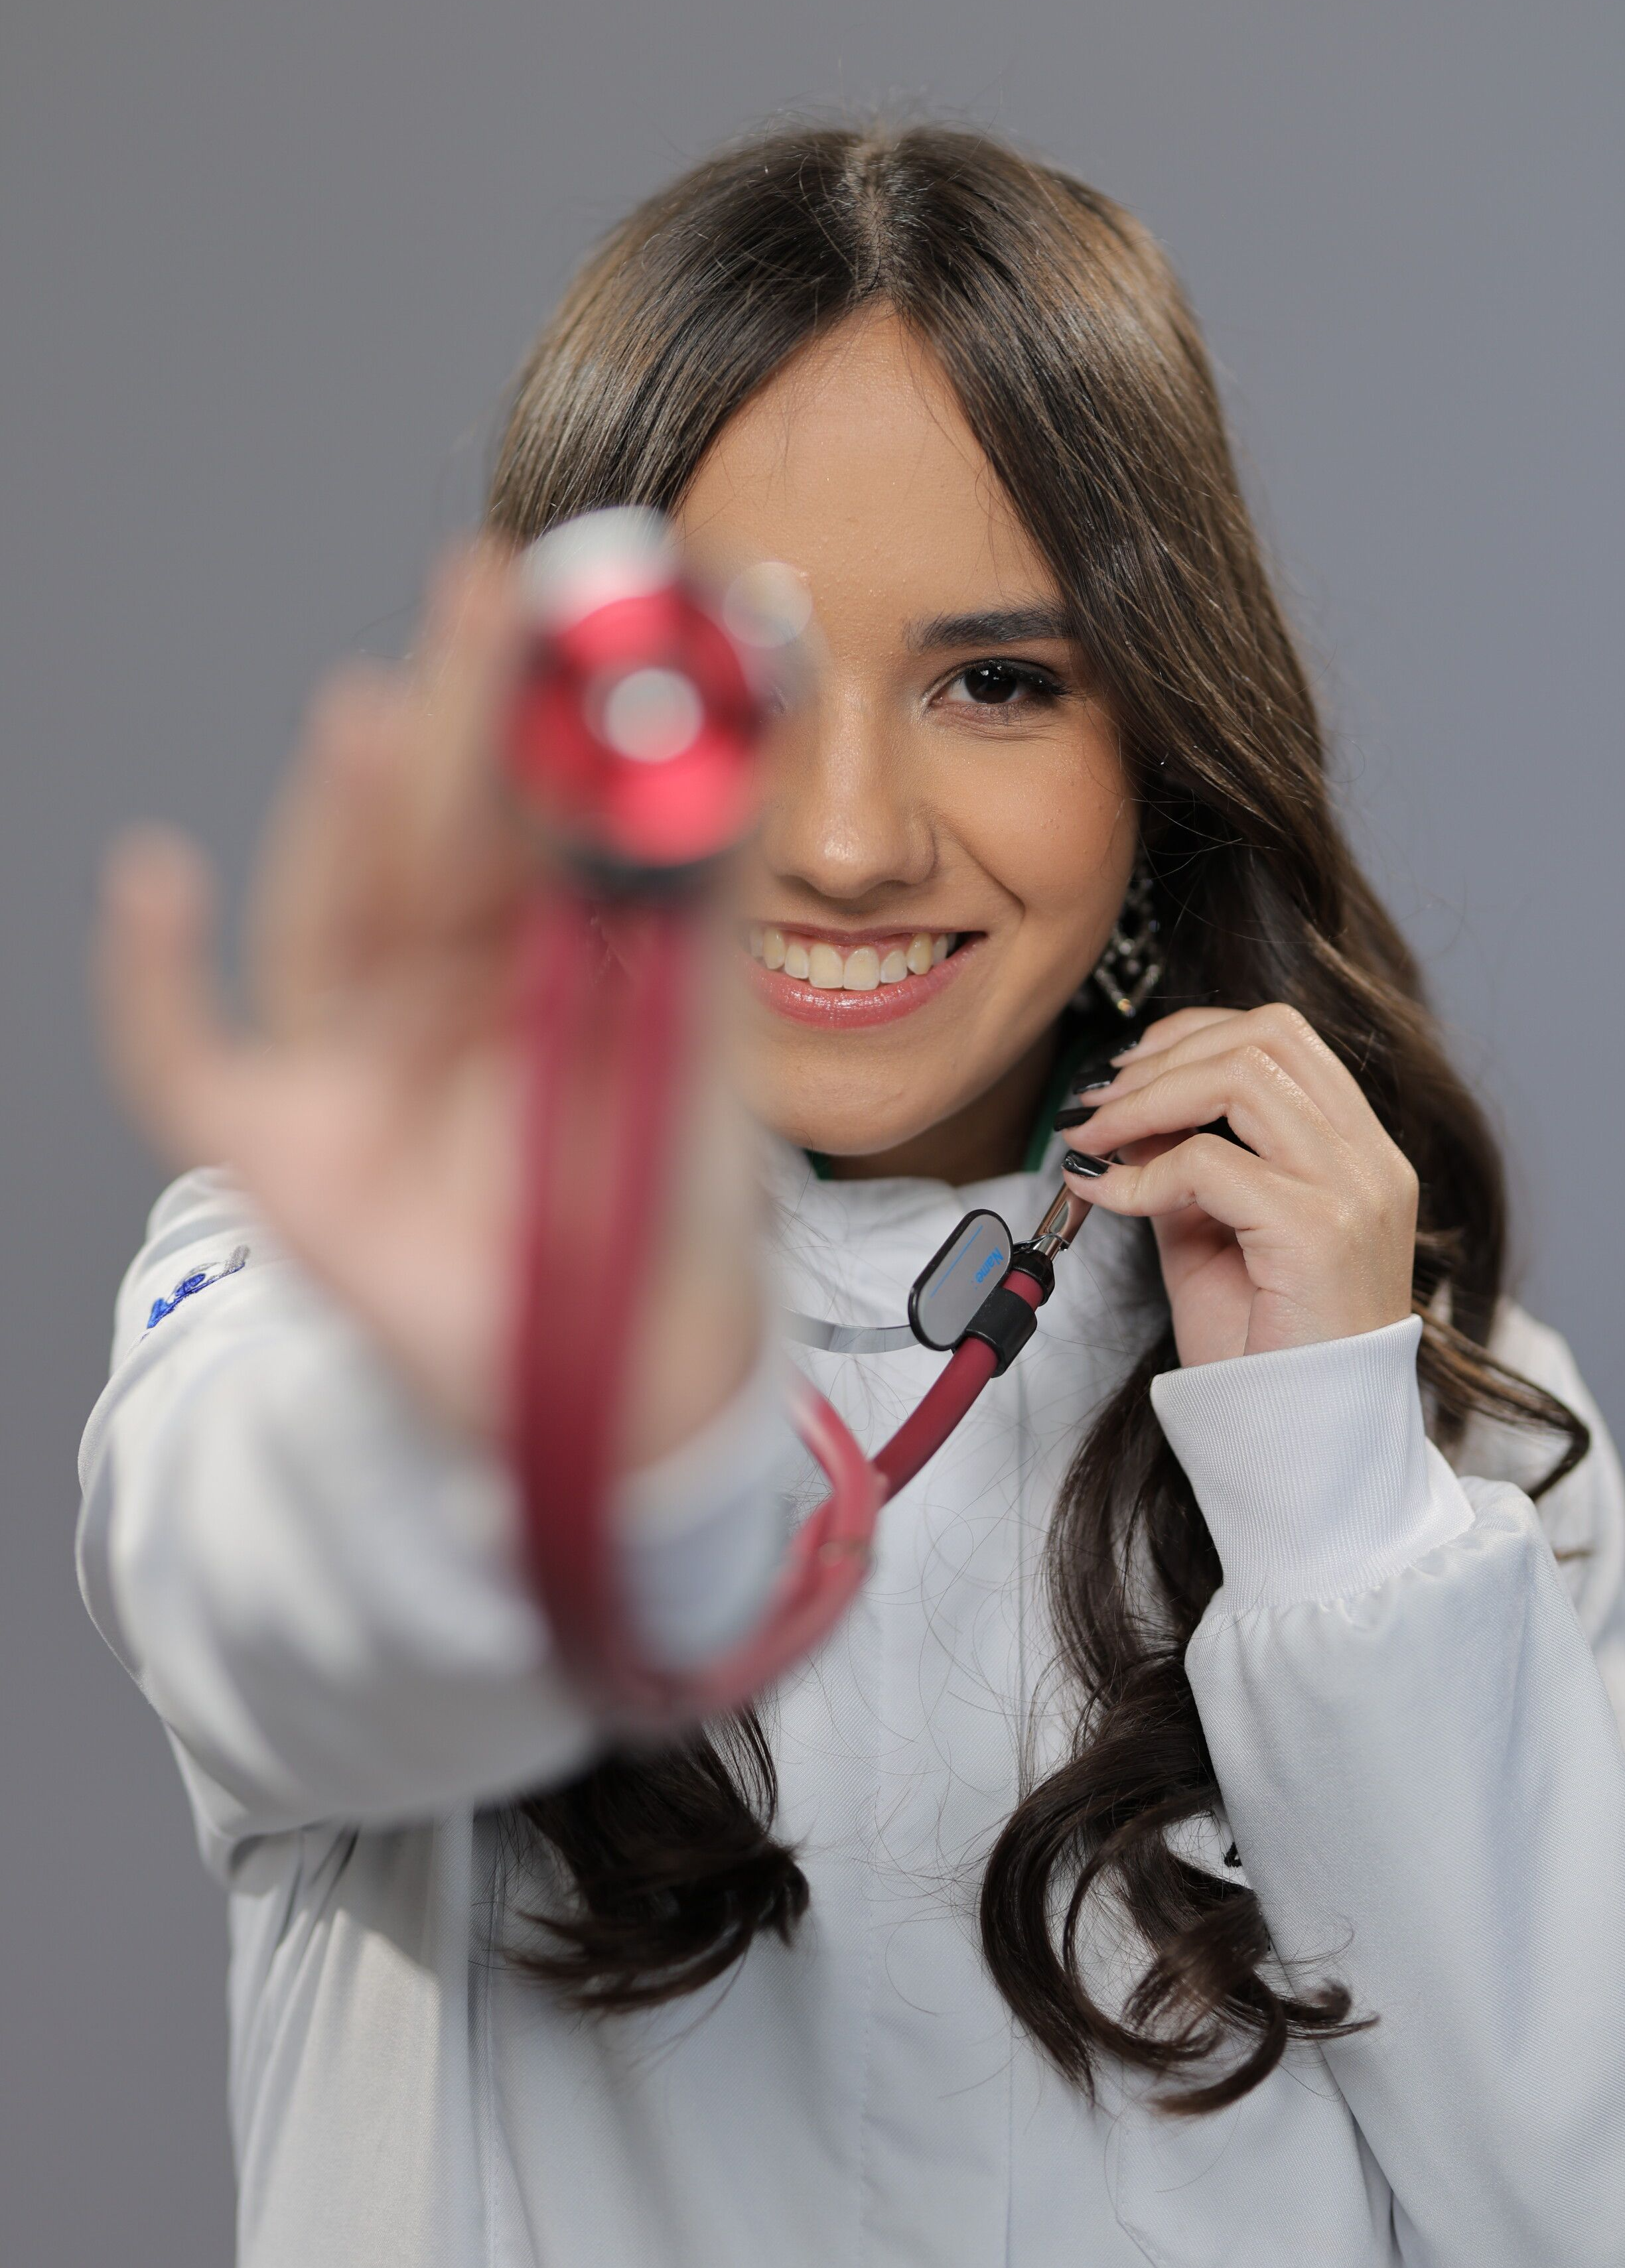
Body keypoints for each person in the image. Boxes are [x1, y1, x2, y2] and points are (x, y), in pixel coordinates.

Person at [80, 124, 1625, 2268]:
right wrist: (551, 1407)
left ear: (1159, 746)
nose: (847, 843)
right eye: (735, 689)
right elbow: (287, 1619)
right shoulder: (324, 1296)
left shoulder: (1442, 1421)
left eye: (1000, 683)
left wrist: (1332, 1502)